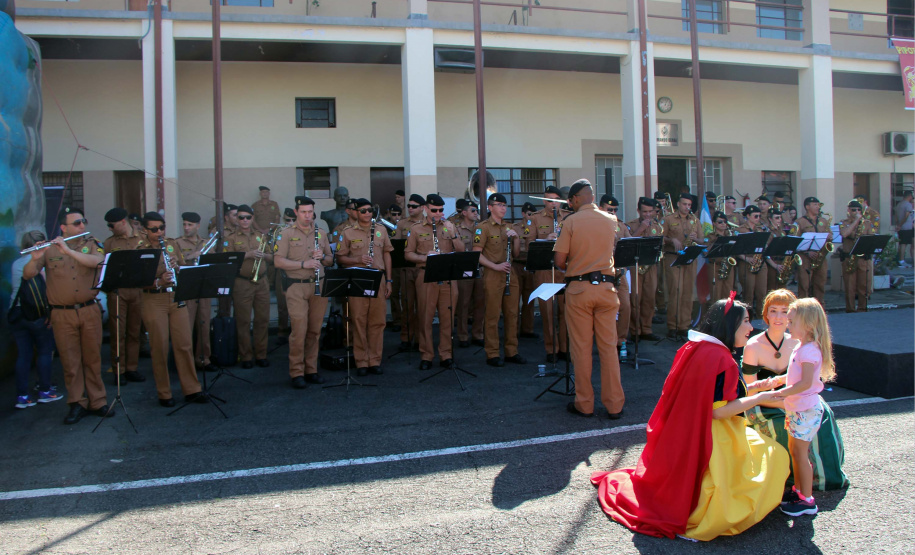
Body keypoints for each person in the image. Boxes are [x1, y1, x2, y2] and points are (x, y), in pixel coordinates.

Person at [591, 294, 789, 540]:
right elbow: (718, 411)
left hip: (685, 431)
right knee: (775, 456)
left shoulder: (698, 347)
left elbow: (712, 394)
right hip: (713, 437)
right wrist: (760, 398)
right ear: (729, 325)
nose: (751, 327)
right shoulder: (722, 358)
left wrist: (759, 386)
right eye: (746, 321)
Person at [742, 289, 848, 493]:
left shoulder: (801, 343)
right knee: (784, 432)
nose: (780, 318)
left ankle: (816, 484)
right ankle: (791, 486)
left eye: (785, 312)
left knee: (823, 419)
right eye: (774, 311)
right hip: (768, 402)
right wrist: (778, 396)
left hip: (794, 401)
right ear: (766, 314)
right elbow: (751, 390)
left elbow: (805, 382)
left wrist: (785, 398)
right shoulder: (753, 345)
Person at [23, 208, 113, 424]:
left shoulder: (92, 243)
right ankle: (77, 403)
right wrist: (35, 259)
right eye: (76, 223)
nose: (82, 226)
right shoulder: (49, 249)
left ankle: (98, 401)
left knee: (93, 358)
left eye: (83, 221)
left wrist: (68, 251)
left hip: (88, 309)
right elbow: (28, 275)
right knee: (70, 361)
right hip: (62, 314)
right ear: (63, 228)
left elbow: (97, 262)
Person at [554, 180, 624, 418]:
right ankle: (615, 405)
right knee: (608, 349)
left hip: (580, 290)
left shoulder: (570, 221)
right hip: (607, 289)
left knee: (581, 349)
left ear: (574, 199)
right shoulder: (611, 219)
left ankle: (585, 404)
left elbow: (559, 261)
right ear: (592, 197)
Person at [138, 212, 207, 407]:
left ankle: (192, 389)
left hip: (175, 297)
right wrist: (159, 280)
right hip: (154, 299)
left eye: (162, 228)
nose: (159, 232)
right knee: (159, 347)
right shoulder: (140, 248)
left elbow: (183, 268)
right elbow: (137, 280)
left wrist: (177, 267)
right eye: (154, 229)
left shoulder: (171, 244)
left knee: (184, 344)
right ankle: (164, 393)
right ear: (145, 230)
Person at [777, 298, 838, 516]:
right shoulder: (802, 348)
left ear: (808, 324)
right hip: (798, 409)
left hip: (805, 410)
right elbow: (796, 376)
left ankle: (807, 500)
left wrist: (780, 392)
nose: (787, 325)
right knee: (796, 451)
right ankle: (800, 491)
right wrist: (776, 382)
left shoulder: (809, 351)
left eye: (792, 322)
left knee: (801, 454)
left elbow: (804, 383)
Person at [273, 196, 334, 388]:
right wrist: (303, 263)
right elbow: (278, 261)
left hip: (319, 285)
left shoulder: (321, 233)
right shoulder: (286, 234)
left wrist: (322, 256)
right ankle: (297, 372)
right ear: (296, 212)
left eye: (310, 212)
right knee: (299, 331)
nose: (308, 216)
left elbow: (331, 260)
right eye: (304, 212)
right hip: (296, 285)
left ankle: (311, 370)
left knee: (315, 331)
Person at [405, 194, 464, 370]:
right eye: (434, 210)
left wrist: (453, 234)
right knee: (425, 317)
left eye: (440, 210)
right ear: (425, 209)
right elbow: (408, 254)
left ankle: (446, 355)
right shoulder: (416, 229)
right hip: (426, 275)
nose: (438, 214)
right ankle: (427, 355)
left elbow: (461, 251)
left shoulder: (450, 226)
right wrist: (425, 257)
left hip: (447, 277)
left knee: (447, 318)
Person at [335, 198, 394, 376]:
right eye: (363, 211)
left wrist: (389, 280)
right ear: (356, 212)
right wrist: (357, 260)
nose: (367, 213)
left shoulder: (381, 230)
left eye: (370, 210)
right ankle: (361, 361)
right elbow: (340, 258)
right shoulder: (347, 232)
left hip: (378, 277)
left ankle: (374, 360)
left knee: (377, 321)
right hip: (358, 278)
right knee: (359, 321)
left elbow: (387, 256)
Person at [10, 231, 61, 409]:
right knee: (45, 351)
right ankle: (44, 390)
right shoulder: (40, 264)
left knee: (24, 355)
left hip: (17, 314)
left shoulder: (16, 263)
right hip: (38, 315)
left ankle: (22, 396)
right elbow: (47, 290)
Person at [474, 193, 525, 367]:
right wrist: (494, 267)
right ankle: (493, 353)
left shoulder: (509, 226)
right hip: (493, 272)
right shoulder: (483, 227)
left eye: (505, 205)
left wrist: (516, 238)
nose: (503, 208)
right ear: (490, 207)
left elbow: (516, 254)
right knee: (493, 315)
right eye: (499, 204)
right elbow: (476, 254)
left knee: (512, 314)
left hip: (510, 272)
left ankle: (512, 351)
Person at [223, 205, 272, 368]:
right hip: (242, 282)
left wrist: (264, 255)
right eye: (241, 217)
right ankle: (245, 356)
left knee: (262, 319)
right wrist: (248, 255)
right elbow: (226, 258)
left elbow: (272, 256)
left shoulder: (261, 236)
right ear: (237, 219)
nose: (244, 220)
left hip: (262, 282)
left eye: (248, 217)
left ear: (252, 219)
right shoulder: (230, 237)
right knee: (243, 321)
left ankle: (261, 354)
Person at [102, 207, 146, 384]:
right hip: (118, 291)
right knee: (118, 332)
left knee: (134, 331)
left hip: (137, 290)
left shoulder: (142, 238)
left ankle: (131, 368)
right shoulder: (109, 243)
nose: (110, 229)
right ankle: (118, 369)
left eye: (112, 225)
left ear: (122, 222)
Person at [529, 187, 570, 361]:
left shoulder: (569, 217)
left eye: (556, 200)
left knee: (565, 311)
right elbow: (529, 244)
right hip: (545, 270)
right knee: (547, 312)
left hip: (564, 269)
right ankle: (551, 349)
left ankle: (564, 348)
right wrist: (546, 241)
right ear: (544, 202)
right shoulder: (535, 218)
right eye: (549, 200)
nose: (553, 204)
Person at [175, 211, 214, 372]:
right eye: (184, 224)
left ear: (197, 226)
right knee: (186, 326)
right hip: (187, 287)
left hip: (203, 288)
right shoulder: (177, 243)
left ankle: (203, 359)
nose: (186, 227)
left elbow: (213, 263)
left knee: (204, 324)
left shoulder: (206, 243)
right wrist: (192, 256)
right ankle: (186, 362)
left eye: (190, 225)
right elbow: (176, 265)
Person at [662, 194, 703, 339]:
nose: (687, 207)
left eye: (689, 205)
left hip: (689, 258)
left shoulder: (694, 220)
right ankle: (672, 325)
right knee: (675, 291)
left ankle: (684, 326)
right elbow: (661, 238)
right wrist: (672, 239)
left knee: (687, 292)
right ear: (678, 204)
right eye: (684, 204)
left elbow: (702, 239)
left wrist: (695, 239)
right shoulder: (668, 219)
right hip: (673, 257)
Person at [627, 198, 663, 342]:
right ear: (639, 211)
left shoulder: (658, 226)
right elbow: (628, 242)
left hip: (651, 266)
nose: (648, 215)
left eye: (650, 212)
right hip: (635, 266)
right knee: (635, 299)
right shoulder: (631, 225)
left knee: (649, 298)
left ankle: (647, 329)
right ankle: (635, 330)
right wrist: (641, 229)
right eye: (644, 212)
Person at [600, 194, 631, 354]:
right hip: (602, 272)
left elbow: (630, 246)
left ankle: (621, 341)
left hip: (619, 272)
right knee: (605, 309)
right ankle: (606, 341)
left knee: (625, 305)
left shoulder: (621, 226)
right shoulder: (595, 225)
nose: (612, 212)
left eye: (615, 210)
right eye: (609, 209)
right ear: (600, 209)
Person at [454, 200, 484, 348]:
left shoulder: (481, 227)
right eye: (472, 210)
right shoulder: (457, 228)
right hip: (464, 268)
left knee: (480, 302)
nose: (475, 213)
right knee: (464, 303)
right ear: (464, 213)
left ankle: (478, 334)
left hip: (480, 267)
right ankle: (463, 335)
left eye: (476, 210)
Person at [839, 200, 876, 313]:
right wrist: (856, 221)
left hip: (863, 258)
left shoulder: (867, 223)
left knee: (864, 286)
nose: (857, 212)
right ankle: (850, 308)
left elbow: (871, 238)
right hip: (849, 258)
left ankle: (862, 308)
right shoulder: (843, 222)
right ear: (849, 210)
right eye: (854, 210)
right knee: (850, 286)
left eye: (859, 210)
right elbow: (844, 234)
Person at [794, 197, 833, 304]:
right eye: (815, 204)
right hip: (805, 257)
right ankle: (803, 309)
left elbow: (830, 236)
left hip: (820, 257)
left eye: (818, 205)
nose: (818, 207)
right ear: (807, 207)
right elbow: (794, 241)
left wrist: (829, 237)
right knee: (804, 285)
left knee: (820, 284)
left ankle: (819, 308)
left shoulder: (823, 221)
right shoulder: (799, 222)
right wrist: (807, 252)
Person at [736, 205, 770, 317]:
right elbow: (736, 250)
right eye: (756, 216)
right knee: (748, 294)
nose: (758, 218)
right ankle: (747, 318)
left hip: (760, 262)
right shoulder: (740, 230)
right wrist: (747, 258)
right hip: (746, 263)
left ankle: (761, 318)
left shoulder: (761, 229)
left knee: (762, 293)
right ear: (748, 216)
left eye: (759, 216)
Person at [513, 204, 538, 340]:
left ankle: (528, 329)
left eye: (533, 214)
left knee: (530, 298)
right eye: (529, 214)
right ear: (523, 214)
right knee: (515, 299)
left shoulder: (536, 228)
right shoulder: (515, 227)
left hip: (530, 265)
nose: (531, 217)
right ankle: (514, 330)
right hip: (517, 264)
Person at [705, 211, 737, 311]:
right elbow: (706, 252)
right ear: (714, 223)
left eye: (724, 222)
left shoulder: (730, 235)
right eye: (720, 222)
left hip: (728, 265)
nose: (723, 224)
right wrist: (716, 242)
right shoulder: (710, 236)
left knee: (729, 293)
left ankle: (727, 314)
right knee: (716, 293)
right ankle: (715, 317)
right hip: (715, 265)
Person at [274, 207, 297, 344]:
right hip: (282, 271)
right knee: (282, 305)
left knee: (297, 306)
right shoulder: (278, 232)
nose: (290, 222)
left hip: (297, 271)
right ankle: (282, 332)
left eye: (293, 220)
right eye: (287, 220)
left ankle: (296, 332)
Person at [895, 190, 913, 267]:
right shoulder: (908, 205)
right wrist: (900, 224)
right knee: (903, 244)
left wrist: (898, 225)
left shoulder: (899, 204)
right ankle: (901, 261)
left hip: (901, 227)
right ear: (909, 196)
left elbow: (896, 216)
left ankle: (900, 260)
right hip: (906, 227)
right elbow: (906, 216)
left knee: (901, 243)